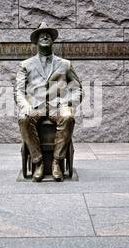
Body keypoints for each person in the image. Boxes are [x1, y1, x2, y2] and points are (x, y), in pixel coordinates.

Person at [14, 23, 83, 181]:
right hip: (35, 107)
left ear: (53, 41)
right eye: (41, 35)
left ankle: (57, 162)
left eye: (48, 35)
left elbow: (78, 88)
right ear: (36, 41)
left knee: (68, 117)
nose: (45, 37)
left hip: (57, 106)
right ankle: (38, 162)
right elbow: (18, 90)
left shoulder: (65, 64)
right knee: (23, 118)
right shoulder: (25, 65)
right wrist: (25, 105)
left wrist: (68, 102)